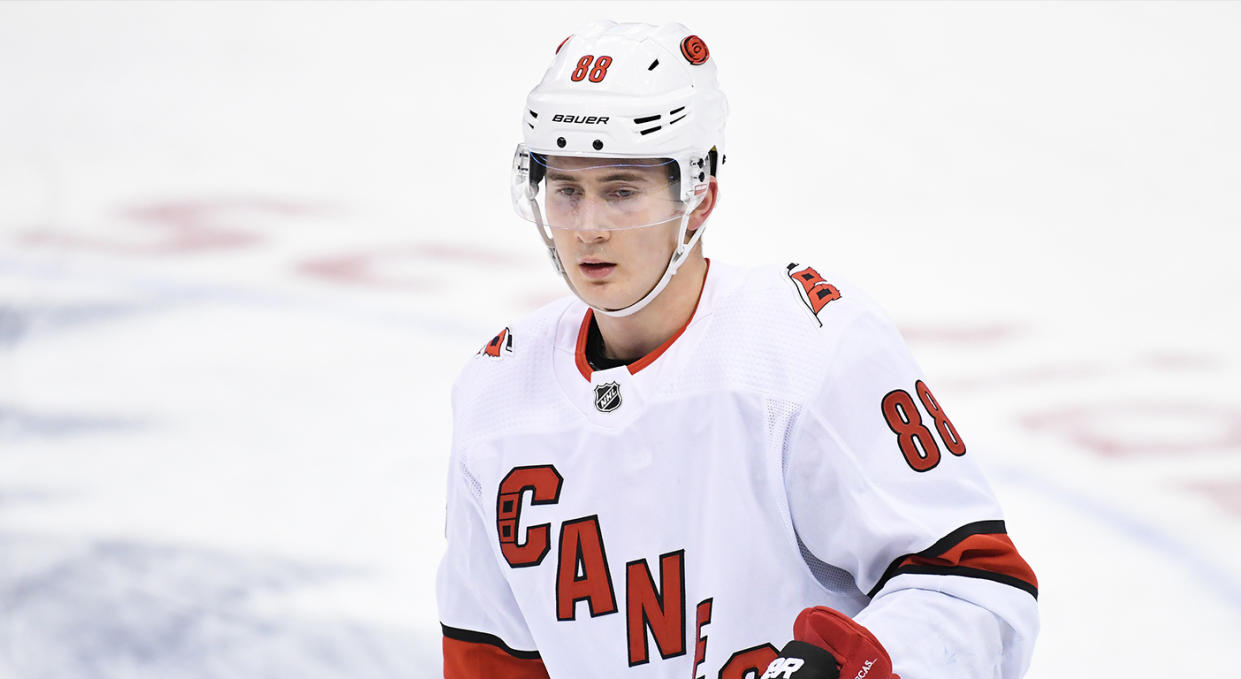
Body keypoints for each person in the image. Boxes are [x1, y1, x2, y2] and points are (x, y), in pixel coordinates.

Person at [437, 20, 1038, 679]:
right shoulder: (500, 397)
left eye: (621, 191)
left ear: (698, 199)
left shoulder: (804, 347)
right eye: (566, 190)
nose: (587, 227)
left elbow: (978, 587)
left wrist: (853, 666)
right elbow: (489, 657)